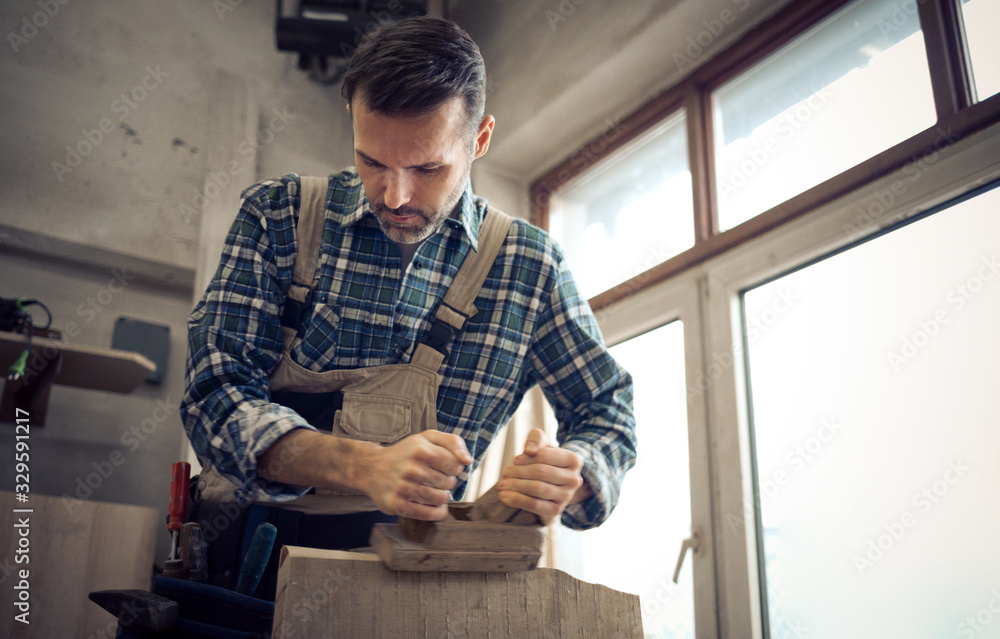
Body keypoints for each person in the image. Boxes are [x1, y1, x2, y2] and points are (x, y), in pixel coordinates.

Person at [181, 15, 636, 600]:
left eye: (427, 169)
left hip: (415, 583)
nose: (395, 197)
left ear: (479, 140)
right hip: (237, 562)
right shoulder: (279, 218)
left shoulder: (530, 268)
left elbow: (609, 410)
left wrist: (574, 472)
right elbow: (212, 396)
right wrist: (365, 466)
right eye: (372, 162)